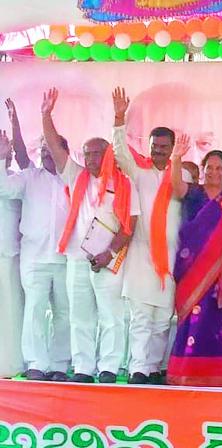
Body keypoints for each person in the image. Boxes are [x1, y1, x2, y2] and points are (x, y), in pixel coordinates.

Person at [42, 87, 140, 384]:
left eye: (97, 152)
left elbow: (129, 226)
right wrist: (45, 114)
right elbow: (55, 148)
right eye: (87, 154)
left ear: (108, 154)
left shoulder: (124, 183)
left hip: (109, 259)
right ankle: (83, 368)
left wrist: (108, 253)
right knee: (79, 316)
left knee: (111, 315)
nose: (91, 158)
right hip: (77, 258)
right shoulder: (77, 176)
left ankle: (109, 367)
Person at [111, 87, 182, 385]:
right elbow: (119, 152)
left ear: (173, 147)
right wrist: (119, 117)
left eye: (164, 147)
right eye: (155, 146)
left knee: (163, 319)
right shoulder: (139, 173)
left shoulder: (182, 177)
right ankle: (139, 369)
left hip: (172, 258)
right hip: (141, 255)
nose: (158, 151)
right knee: (141, 317)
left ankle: (154, 368)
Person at [166, 145, 222, 387]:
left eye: (219, 168)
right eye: (209, 168)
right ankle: (185, 375)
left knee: (216, 327)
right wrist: (177, 157)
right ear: (202, 171)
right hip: (191, 273)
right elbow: (176, 185)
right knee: (191, 322)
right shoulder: (193, 193)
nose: (214, 172)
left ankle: (217, 377)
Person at [0, 99, 70, 382]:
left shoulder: (73, 179)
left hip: (66, 259)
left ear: (62, 151)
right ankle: (37, 364)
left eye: (50, 149)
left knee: (65, 313)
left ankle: (59, 365)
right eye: (41, 150)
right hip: (34, 258)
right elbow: (4, 187)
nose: (45, 154)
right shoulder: (30, 177)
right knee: (35, 311)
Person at [0, 128, 24, 379]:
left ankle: (11, 364)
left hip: (9, 255)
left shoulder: (16, 179)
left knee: (11, 311)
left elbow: (4, 189)